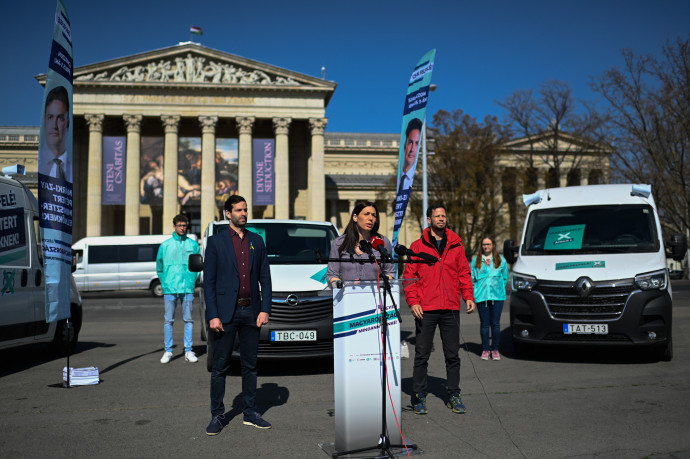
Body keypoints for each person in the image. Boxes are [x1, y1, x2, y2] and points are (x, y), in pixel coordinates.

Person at [204, 195, 272, 435]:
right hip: (225, 314)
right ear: (227, 214)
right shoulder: (216, 242)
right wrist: (213, 315)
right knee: (220, 366)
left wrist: (265, 309)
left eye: (245, 210)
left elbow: (265, 277)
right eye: (239, 210)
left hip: (251, 311)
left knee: (250, 365)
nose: (244, 213)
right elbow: (209, 282)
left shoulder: (257, 241)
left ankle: (250, 412)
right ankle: (217, 415)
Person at [403, 202, 475, 415]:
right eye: (437, 216)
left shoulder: (456, 244)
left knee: (452, 355)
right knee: (422, 354)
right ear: (429, 220)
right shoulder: (417, 246)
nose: (441, 219)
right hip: (426, 308)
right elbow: (409, 277)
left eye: (444, 215)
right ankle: (418, 396)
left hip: (450, 307)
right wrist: (413, 301)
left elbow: (464, 273)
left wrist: (468, 296)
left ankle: (453, 394)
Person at [156, 214, 201, 364]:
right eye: (180, 225)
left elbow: (198, 266)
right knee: (168, 320)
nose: (182, 228)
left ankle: (188, 350)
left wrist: (191, 281)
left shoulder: (193, 245)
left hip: (187, 287)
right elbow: (160, 267)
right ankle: (168, 351)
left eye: (184, 225)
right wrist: (165, 283)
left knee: (188, 320)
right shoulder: (165, 245)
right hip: (170, 288)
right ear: (174, 226)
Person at [326, 200, 395, 286]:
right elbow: (331, 275)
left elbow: (390, 273)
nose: (371, 218)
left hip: (375, 296)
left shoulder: (382, 242)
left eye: (374, 215)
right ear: (355, 217)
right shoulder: (339, 242)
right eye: (366, 214)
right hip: (347, 296)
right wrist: (345, 285)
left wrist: (382, 283)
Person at [471, 236, 509, 361]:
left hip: (497, 297)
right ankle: (486, 349)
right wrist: (476, 291)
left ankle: (495, 349)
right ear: (481, 246)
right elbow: (472, 279)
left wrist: (497, 288)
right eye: (483, 244)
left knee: (496, 324)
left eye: (488, 244)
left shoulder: (501, 260)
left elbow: (504, 278)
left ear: (493, 245)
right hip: (482, 297)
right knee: (484, 324)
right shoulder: (475, 261)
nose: (486, 246)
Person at [38, 86, 71, 181]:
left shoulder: (72, 169)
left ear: (67, 123)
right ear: (44, 121)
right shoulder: (40, 166)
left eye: (60, 118)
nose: (54, 125)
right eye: (50, 117)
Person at [397, 118, 423, 193]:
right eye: (410, 142)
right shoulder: (398, 180)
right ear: (405, 144)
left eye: (417, 144)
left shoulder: (419, 181)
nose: (412, 149)